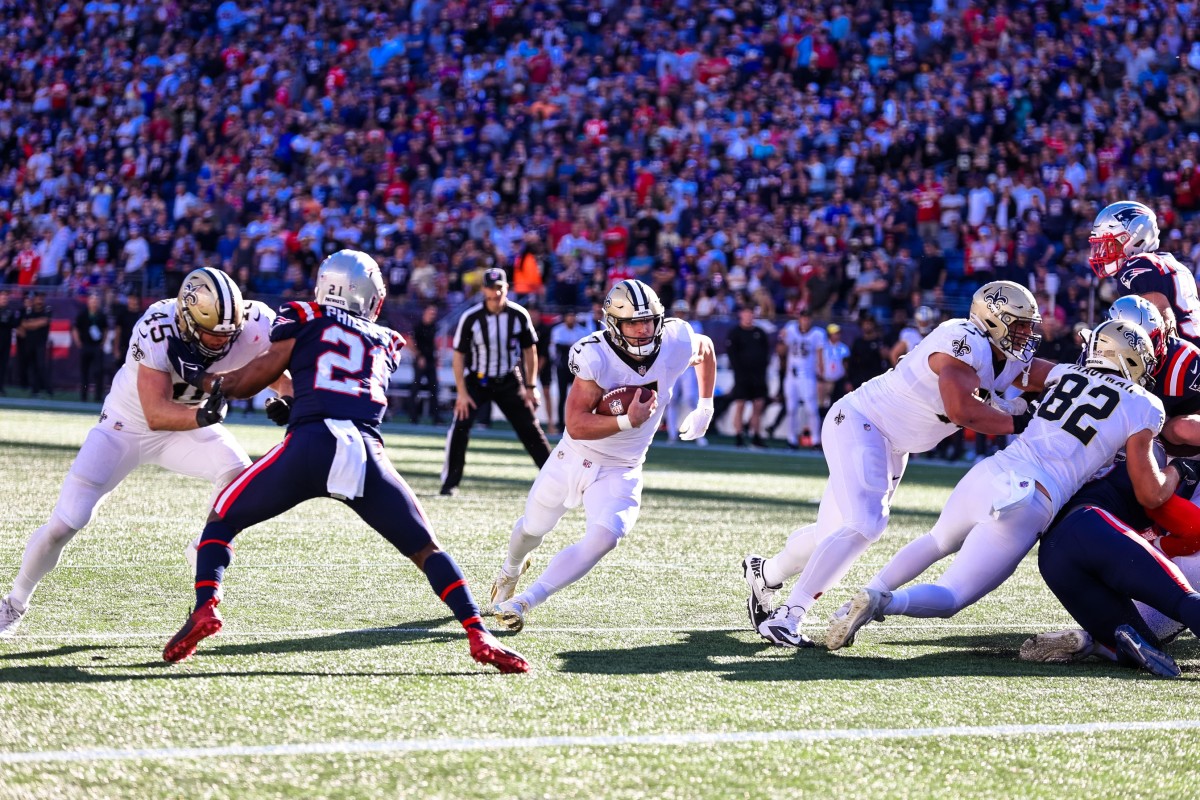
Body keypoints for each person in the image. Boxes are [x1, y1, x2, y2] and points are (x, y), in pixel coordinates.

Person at [160, 250, 528, 674]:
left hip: (312, 443)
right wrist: (296, 400)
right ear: (368, 295)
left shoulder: (305, 314)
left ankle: (205, 606)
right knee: (427, 549)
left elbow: (248, 382)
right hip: (366, 453)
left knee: (222, 519)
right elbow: (342, 386)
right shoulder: (386, 339)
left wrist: (204, 378)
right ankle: (477, 633)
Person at [828, 320, 1174, 651]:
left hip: (991, 471)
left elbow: (1020, 371)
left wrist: (1008, 396)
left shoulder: (1066, 373)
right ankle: (881, 602)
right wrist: (1175, 472)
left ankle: (860, 598)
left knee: (936, 541)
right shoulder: (1144, 405)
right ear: (1132, 359)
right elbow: (1149, 492)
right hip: (1030, 498)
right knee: (951, 596)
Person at [744, 281, 1056, 648]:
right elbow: (961, 409)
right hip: (863, 423)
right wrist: (1021, 420)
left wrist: (1093, 378)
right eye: (1018, 324)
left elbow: (1049, 375)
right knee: (866, 523)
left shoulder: (1005, 358)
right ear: (991, 319)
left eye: (1027, 325)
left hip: (890, 441)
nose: (1025, 334)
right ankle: (789, 615)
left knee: (835, 534)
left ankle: (766, 572)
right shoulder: (963, 339)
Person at [0, 268, 288, 638]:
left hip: (188, 428)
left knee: (239, 475)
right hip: (126, 427)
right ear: (186, 318)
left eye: (226, 336)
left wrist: (287, 399)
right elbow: (155, 413)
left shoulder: (256, 321)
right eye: (210, 335)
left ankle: (206, 545)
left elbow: (279, 373)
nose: (219, 344)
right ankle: (14, 602)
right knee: (66, 522)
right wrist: (203, 414)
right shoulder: (157, 323)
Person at [489, 279, 716, 631]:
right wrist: (628, 420)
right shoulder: (594, 354)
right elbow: (576, 424)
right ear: (613, 323)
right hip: (573, 457)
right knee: (532, 529)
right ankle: (511, 569)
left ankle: (525, 600)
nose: (643, 330)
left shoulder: (676, 340)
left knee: (605, 536)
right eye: (632, 323)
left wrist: (705, 405)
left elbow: (707, 349)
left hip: (621, 467)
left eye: (649, 320)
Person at [1021, 455, 1200, 677]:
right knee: (1182, 600)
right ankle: (1098, 643)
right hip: (1094, 528)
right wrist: (1177, 470)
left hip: (1052, 558)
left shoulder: (1100, 468)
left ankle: (1090, 644)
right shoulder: (1149, 475)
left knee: (1142, 643)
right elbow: (1189, 524)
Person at [440, 267, 552, 496]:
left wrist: (531, 386)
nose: (495, 293)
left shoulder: (519, 315)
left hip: (509, 378)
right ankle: (450, 484)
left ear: (506, 288)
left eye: (499, 288)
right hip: (478, 379)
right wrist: (462, 392)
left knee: (530, 429)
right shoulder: (471, 317)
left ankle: (555, 482)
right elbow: (458, 356)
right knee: (460, 426)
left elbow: (530, 349)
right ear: (483, 290)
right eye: (491, 288)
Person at [1090, 200, 1200, 346]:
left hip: (1182, 360)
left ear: (1134, 238)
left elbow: (1163, 329)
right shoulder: (1173, 263)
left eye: (1109, 243)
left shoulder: (1136, 265)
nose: (1103, 252)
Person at [778, 309, 827, 450]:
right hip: (791, 377)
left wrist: (821, 376)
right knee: (791, 408)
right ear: (799, 318)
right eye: (803, 318)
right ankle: (791, 439)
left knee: (811, 409)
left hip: (808, 376)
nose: (805, 321)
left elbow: (820, 356)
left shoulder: (817, 334)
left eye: (807, 318)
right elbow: (781, 351)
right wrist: (781, 338)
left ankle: (815, 440)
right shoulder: (790, 329)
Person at [725, 306, 772, 448]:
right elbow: (732, 355)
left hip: (758, 375)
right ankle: (739, 435)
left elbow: (766, 353)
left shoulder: (760, 333)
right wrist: (739, 373)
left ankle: (756, 435)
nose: (748, 316)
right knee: (741, 404)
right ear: (741, 314)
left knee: (758, 405)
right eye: (746, 313)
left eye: (751, 313)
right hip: (742, 375)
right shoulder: (735, 333)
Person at [665, 299, 707, 446]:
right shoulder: (668, 326)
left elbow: (697, 346)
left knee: (691, 399)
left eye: (682, 312)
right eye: (678, 312)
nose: (680, 315)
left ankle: (698, 433)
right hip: (672, 367)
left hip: (688, 367)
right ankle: (672, 434)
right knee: (671, 400)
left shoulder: (694, 325)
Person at [549, 307, 596, 435]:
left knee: (581, 397)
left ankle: (583, 423)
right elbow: (560, 349)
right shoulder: (558, 330)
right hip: (563, 368)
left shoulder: (582, 330)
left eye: (572, 316)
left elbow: (586, 348)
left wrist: (570, 347)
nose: (570, 318)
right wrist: (574, 347)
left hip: (579, 369)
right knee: (562, 396)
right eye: (568, 316)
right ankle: (560, 424)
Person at [407, 303, 441, 424]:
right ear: (425, 312)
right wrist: (419, 356)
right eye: (431, 312)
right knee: (415, 389)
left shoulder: (434, 326)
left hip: (431, 361)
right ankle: (413, 417)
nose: (433, 315)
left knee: (434, 390)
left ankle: (436, 418)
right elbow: (409, 342)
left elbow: (434, 344)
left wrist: (438, 359)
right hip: (420, 362)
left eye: (434, 313)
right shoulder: (418, 326)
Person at [72, 293, 110, 402]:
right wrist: (78, 342)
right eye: (92, 301)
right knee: (84, 372)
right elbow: (75, 328)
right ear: (88, 302)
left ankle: (98, 397)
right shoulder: (82, 314)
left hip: (96, 347)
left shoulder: (101, 315)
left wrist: (103, 342)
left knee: (98, 372)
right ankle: (83, 397)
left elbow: (105, 329)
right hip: (85, 346)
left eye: (96, 301)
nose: (94, 303)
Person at [17, 292, 51, 397]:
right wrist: (35, 323)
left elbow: (44, 321)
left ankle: (46, 388)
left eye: (41, 297)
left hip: (41, 343)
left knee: (40, 365)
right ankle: (33, 389)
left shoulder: (47, 310)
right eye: (38, 297)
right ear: (34, 299)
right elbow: (23, 324)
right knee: (31, 366)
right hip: (29, 343)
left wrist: (30, 323)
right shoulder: (29, 310)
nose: (40, 300)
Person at [818, 323, 851, 416]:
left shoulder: (844, 348)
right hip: (825, 381)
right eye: (835, 333)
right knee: (823, 406)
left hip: (839, 381)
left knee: (837, 407)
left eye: (838, 333)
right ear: (829, 334)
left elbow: (847, 365)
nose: (837, 335)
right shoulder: (822, 348)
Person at [0, 288, 18, 395]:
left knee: (2, 366)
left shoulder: (10, 311)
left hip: (5, 343)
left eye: (6, 297)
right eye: (2, 296)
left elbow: (14, 324)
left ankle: (1, 387)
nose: (4, 299)